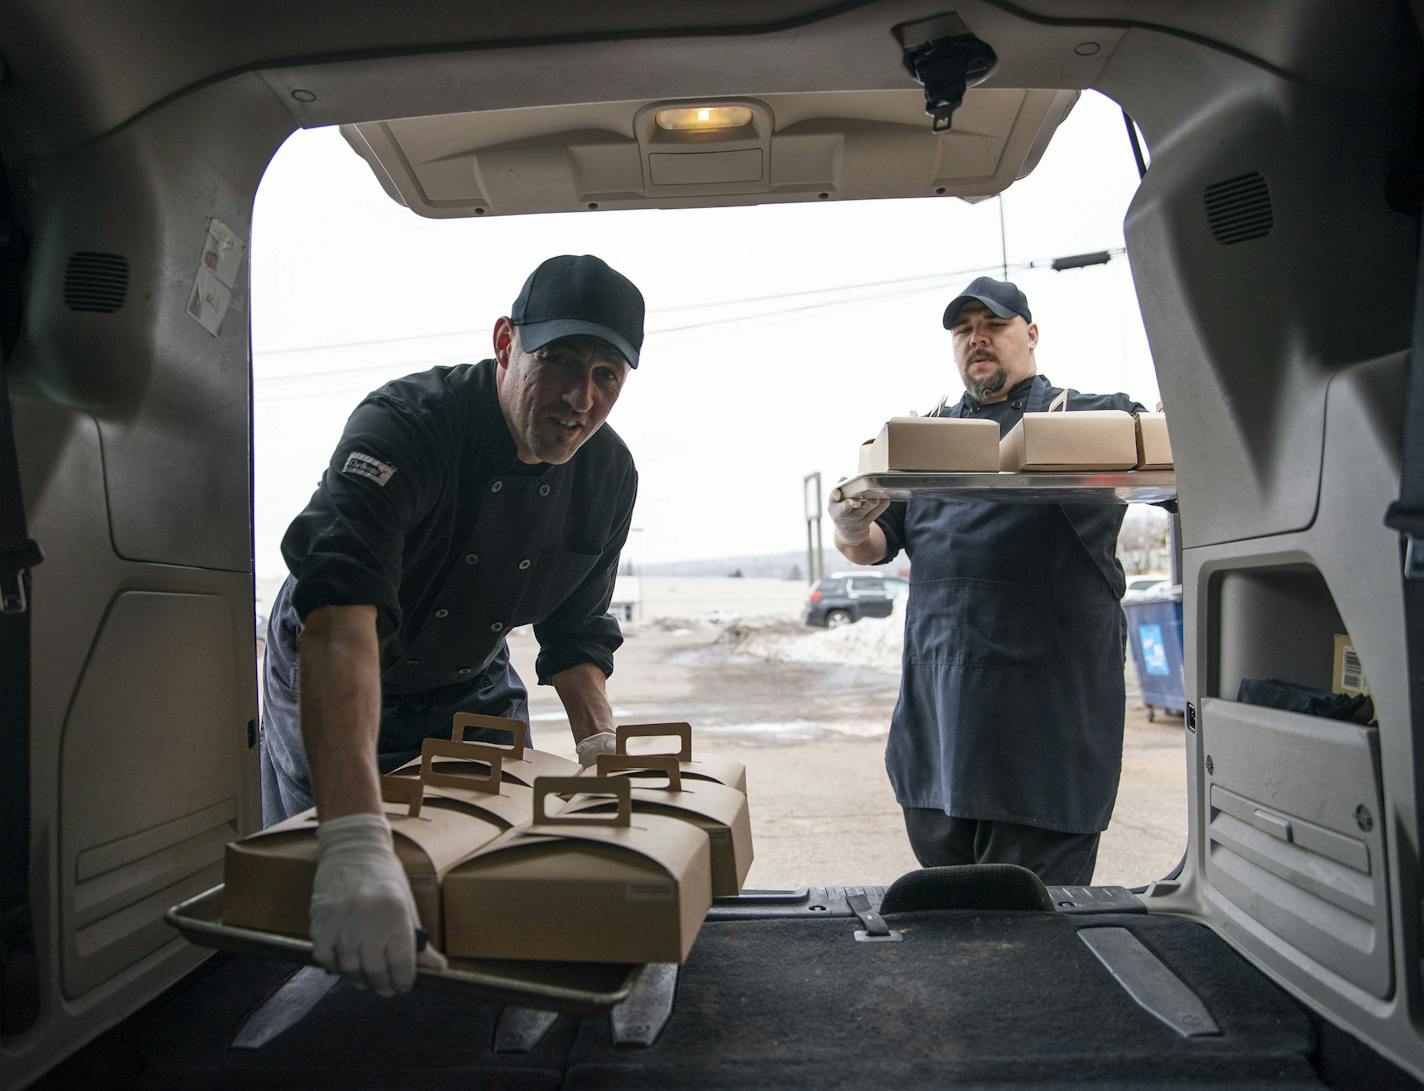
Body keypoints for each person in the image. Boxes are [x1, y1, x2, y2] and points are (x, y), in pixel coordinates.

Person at [259, 254, 643, 994]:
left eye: (606, 376)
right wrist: (353, 840)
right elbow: (341, 612)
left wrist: (601, 750)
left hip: (469, 675)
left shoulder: (608, 474)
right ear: (505, 342)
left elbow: (577, 633)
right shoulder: (407, 425)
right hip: (341, 657)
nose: (578, 398)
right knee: (340, 886)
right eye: (557, 361)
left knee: (494, 859)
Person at [830, 276, 1144, 887]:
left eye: (994, 326)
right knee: (954, 922)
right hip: (940, 735)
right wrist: (847, 524)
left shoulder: (1088, 419)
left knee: (1037, 931)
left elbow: (1189, 476)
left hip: (1046, 740)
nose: (977, 339)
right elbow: (870, 546)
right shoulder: (924, 439)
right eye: (963, 330)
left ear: (1030, 334)